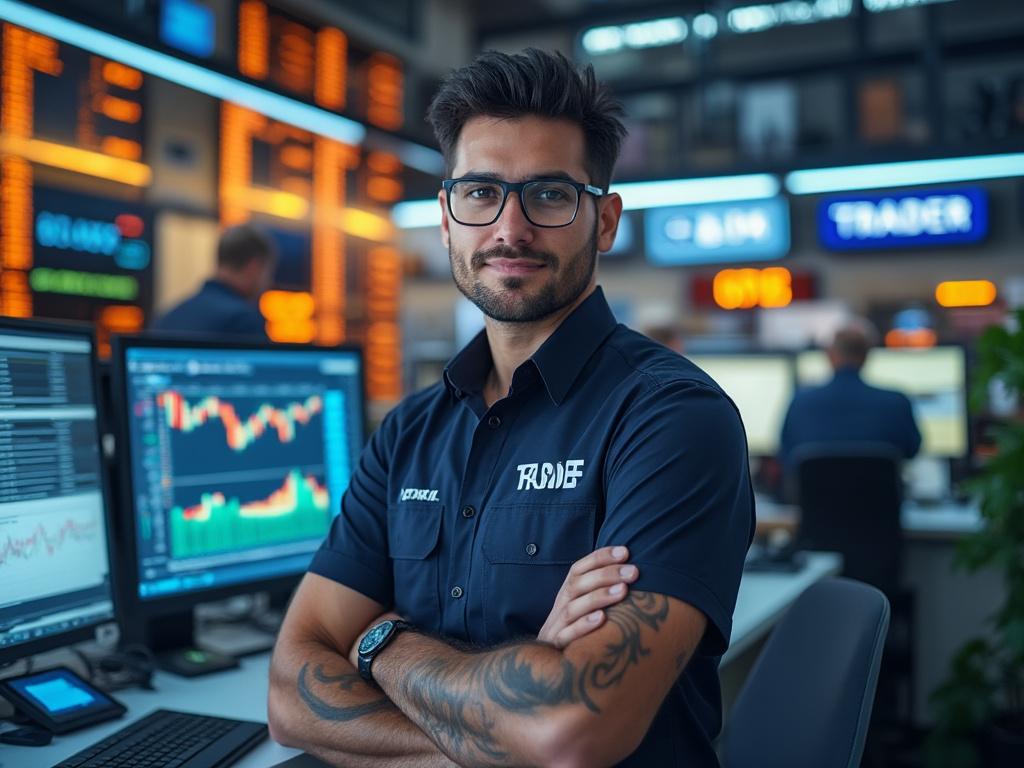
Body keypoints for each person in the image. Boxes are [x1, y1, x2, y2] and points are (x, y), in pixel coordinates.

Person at [268, 49, 753, 768]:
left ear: (606, 220)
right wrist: (509, 722)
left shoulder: (673, 418)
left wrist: (380, 641)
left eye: (550, 195)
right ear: (445, 217)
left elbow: (568, 731)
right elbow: (288, 694)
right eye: (480, 192)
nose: (509, 229)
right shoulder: (408, 432)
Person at [779, 321, 922, 471]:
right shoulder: (896, 402)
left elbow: (786, 454)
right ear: (866, 355)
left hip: (820, 494)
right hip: (876, 494)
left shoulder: (801, 402)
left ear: (830, 355)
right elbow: (911, 451)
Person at [150, 224, 276, 341]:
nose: (268, 283)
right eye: (268, 273)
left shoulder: (167, 317)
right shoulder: (244, 321)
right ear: (254, 267)